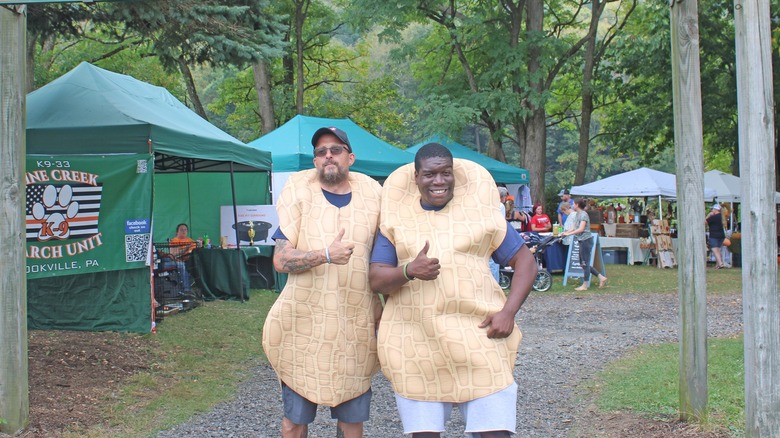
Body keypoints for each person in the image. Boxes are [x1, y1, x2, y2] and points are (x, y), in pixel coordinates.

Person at [369, 143, 537, 438]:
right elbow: (376, 279)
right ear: (416, 177)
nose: (439, 181)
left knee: (495, 432)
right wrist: (409, 270)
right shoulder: (395, 221)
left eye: (445, 173)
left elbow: (525, 262)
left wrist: (508, 312)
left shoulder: (481, 214)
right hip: (416, 343)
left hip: (478, 338)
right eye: (430, 174)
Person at [262, 126, 383, 438]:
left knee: (352, 422)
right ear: (315, 161)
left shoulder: (373, 198)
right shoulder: (300, 193)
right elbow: (280, 261)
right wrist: (325, 255)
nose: (328, 155)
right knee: (294, 421)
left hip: (354, 327)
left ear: (350, 157)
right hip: (303, 329)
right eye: (320, 151)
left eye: (336, 149)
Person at [561, 198, 607, 290]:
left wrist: (569, 234)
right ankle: (601, 277)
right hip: (581, 240)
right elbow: (574, 227)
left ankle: (585, 285)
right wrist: (564, 233)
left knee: (585, 263)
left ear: (577, 205)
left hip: (586, 240)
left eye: (573, 203)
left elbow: (581, 229)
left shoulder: (584, 215)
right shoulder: (577, 215)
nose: (572, 205)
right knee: (582, 264)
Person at [158, 223, 196, 293]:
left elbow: (194, 251)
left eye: (185, 230)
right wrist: (186, 248)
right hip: (175, 262)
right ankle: (186, 290)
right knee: (179, 264)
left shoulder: (190, 241)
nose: (184, 231)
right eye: (181, 230)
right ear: (177, 232)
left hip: (188, 261)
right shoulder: (174, 241)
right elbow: (173, 254)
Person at [706, 203, 726, 269]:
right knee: (718, 250)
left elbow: (704, 222)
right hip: (721, 235)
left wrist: (708, 215)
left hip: (714, 235)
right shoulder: (721, 216)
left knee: (715, 249)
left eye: (712, 209)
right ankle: (717, 265)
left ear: (715, 210)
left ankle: (720, 263)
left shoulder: (713, 217)